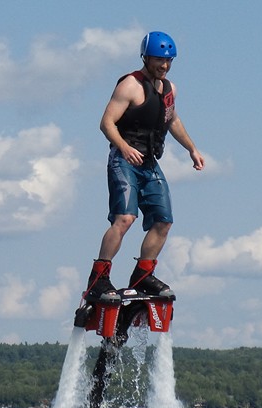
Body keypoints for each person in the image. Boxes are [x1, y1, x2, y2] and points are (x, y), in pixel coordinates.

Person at [84, 31, 206, 303]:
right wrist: (124, 147)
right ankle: (99, 279)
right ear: (146, 57)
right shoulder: (130, 85)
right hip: (124, 160)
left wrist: (192, 148)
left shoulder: (169, 89)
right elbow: (106, 123)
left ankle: (142, 276)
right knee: (125, 219)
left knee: (164, 220)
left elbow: (172, 120)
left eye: (168, 61)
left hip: (149, 163)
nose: (164, 66)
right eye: (159, 60)